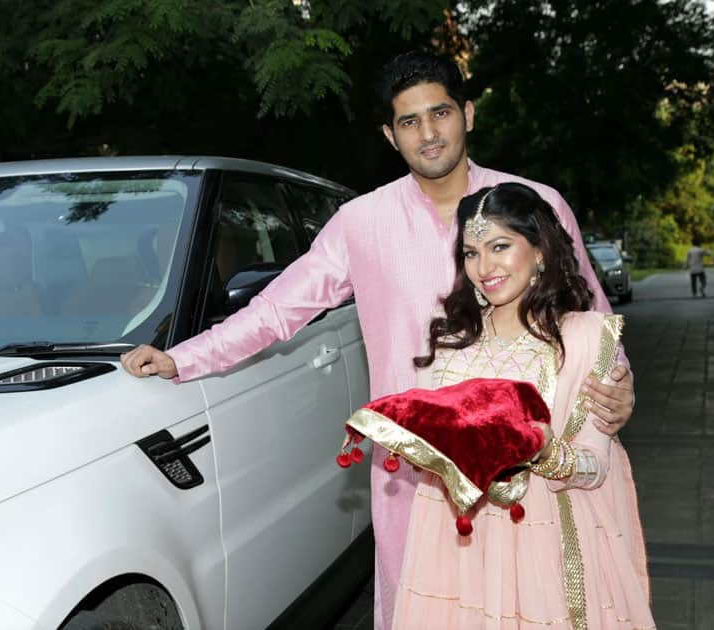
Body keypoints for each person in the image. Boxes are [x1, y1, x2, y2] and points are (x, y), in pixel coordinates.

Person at [121, 51, 636, 630]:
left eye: (440, 113)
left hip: (530, 480)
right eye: (410, 122)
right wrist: (181, 357)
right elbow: (276, 310)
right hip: (413, 479)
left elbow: (591, 313)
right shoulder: (360, 223)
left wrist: (620, 388)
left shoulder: (532, 204)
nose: (429, 133)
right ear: (391, 136)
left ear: (467, 113)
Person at [393, 183, 652, 629]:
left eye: (499, 246)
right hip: (458, 545)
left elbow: (598, 465)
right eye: (471, 253)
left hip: (548, 541)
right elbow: (434, 455)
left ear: (540, 251)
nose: (484, 267)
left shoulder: (586, 337)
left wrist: (544, 450)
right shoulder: (449, 339)